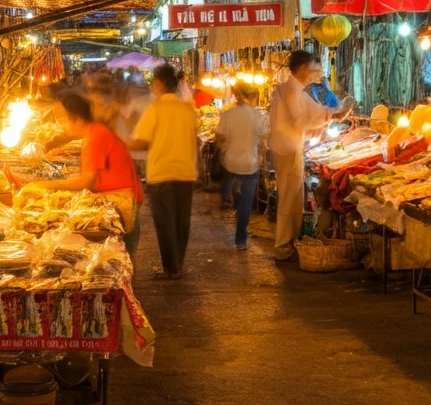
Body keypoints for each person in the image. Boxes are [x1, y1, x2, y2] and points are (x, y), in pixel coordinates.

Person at [23, 94, 144, 253]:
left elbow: (86, 181)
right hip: (120, 200)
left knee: (119, 255)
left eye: (63, 119)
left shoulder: (95, 136)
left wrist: (44, 185)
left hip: (122, 204)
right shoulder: (93, 132)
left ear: (76, 118)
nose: (62, 125)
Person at [269, 50, 344, 262]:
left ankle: (291, 240)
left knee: (295, 197)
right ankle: (283, 243)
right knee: (288, 196)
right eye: (311, 68)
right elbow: (301, 119)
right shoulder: (291, 92)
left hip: (289, 148)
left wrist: (332, 113)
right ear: (302, 69)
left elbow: (315, 111)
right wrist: (332, 115)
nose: (313, 73)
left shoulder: (294, 90)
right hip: (288, 150)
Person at [126, 64, 199, 279]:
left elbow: (142, 142)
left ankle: (171, 269)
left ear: (158, 84)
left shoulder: (155, 109)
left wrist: (122, 143)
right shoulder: (188, 109)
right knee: (181, 222)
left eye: (152, 83)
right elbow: (194, 137)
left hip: (162, 173)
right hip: (185, 172)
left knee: (165, 222)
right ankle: (178, 264)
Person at [215, 82, 266, 250]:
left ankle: (232, 197)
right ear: (250, 96)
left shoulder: (227, 115)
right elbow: (263, 137)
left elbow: (219, 138)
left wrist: (226, 143)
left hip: (230, 162)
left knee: (233, 185)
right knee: (246, 202)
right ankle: (240, 240)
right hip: (249, 163)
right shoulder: (256, 115)